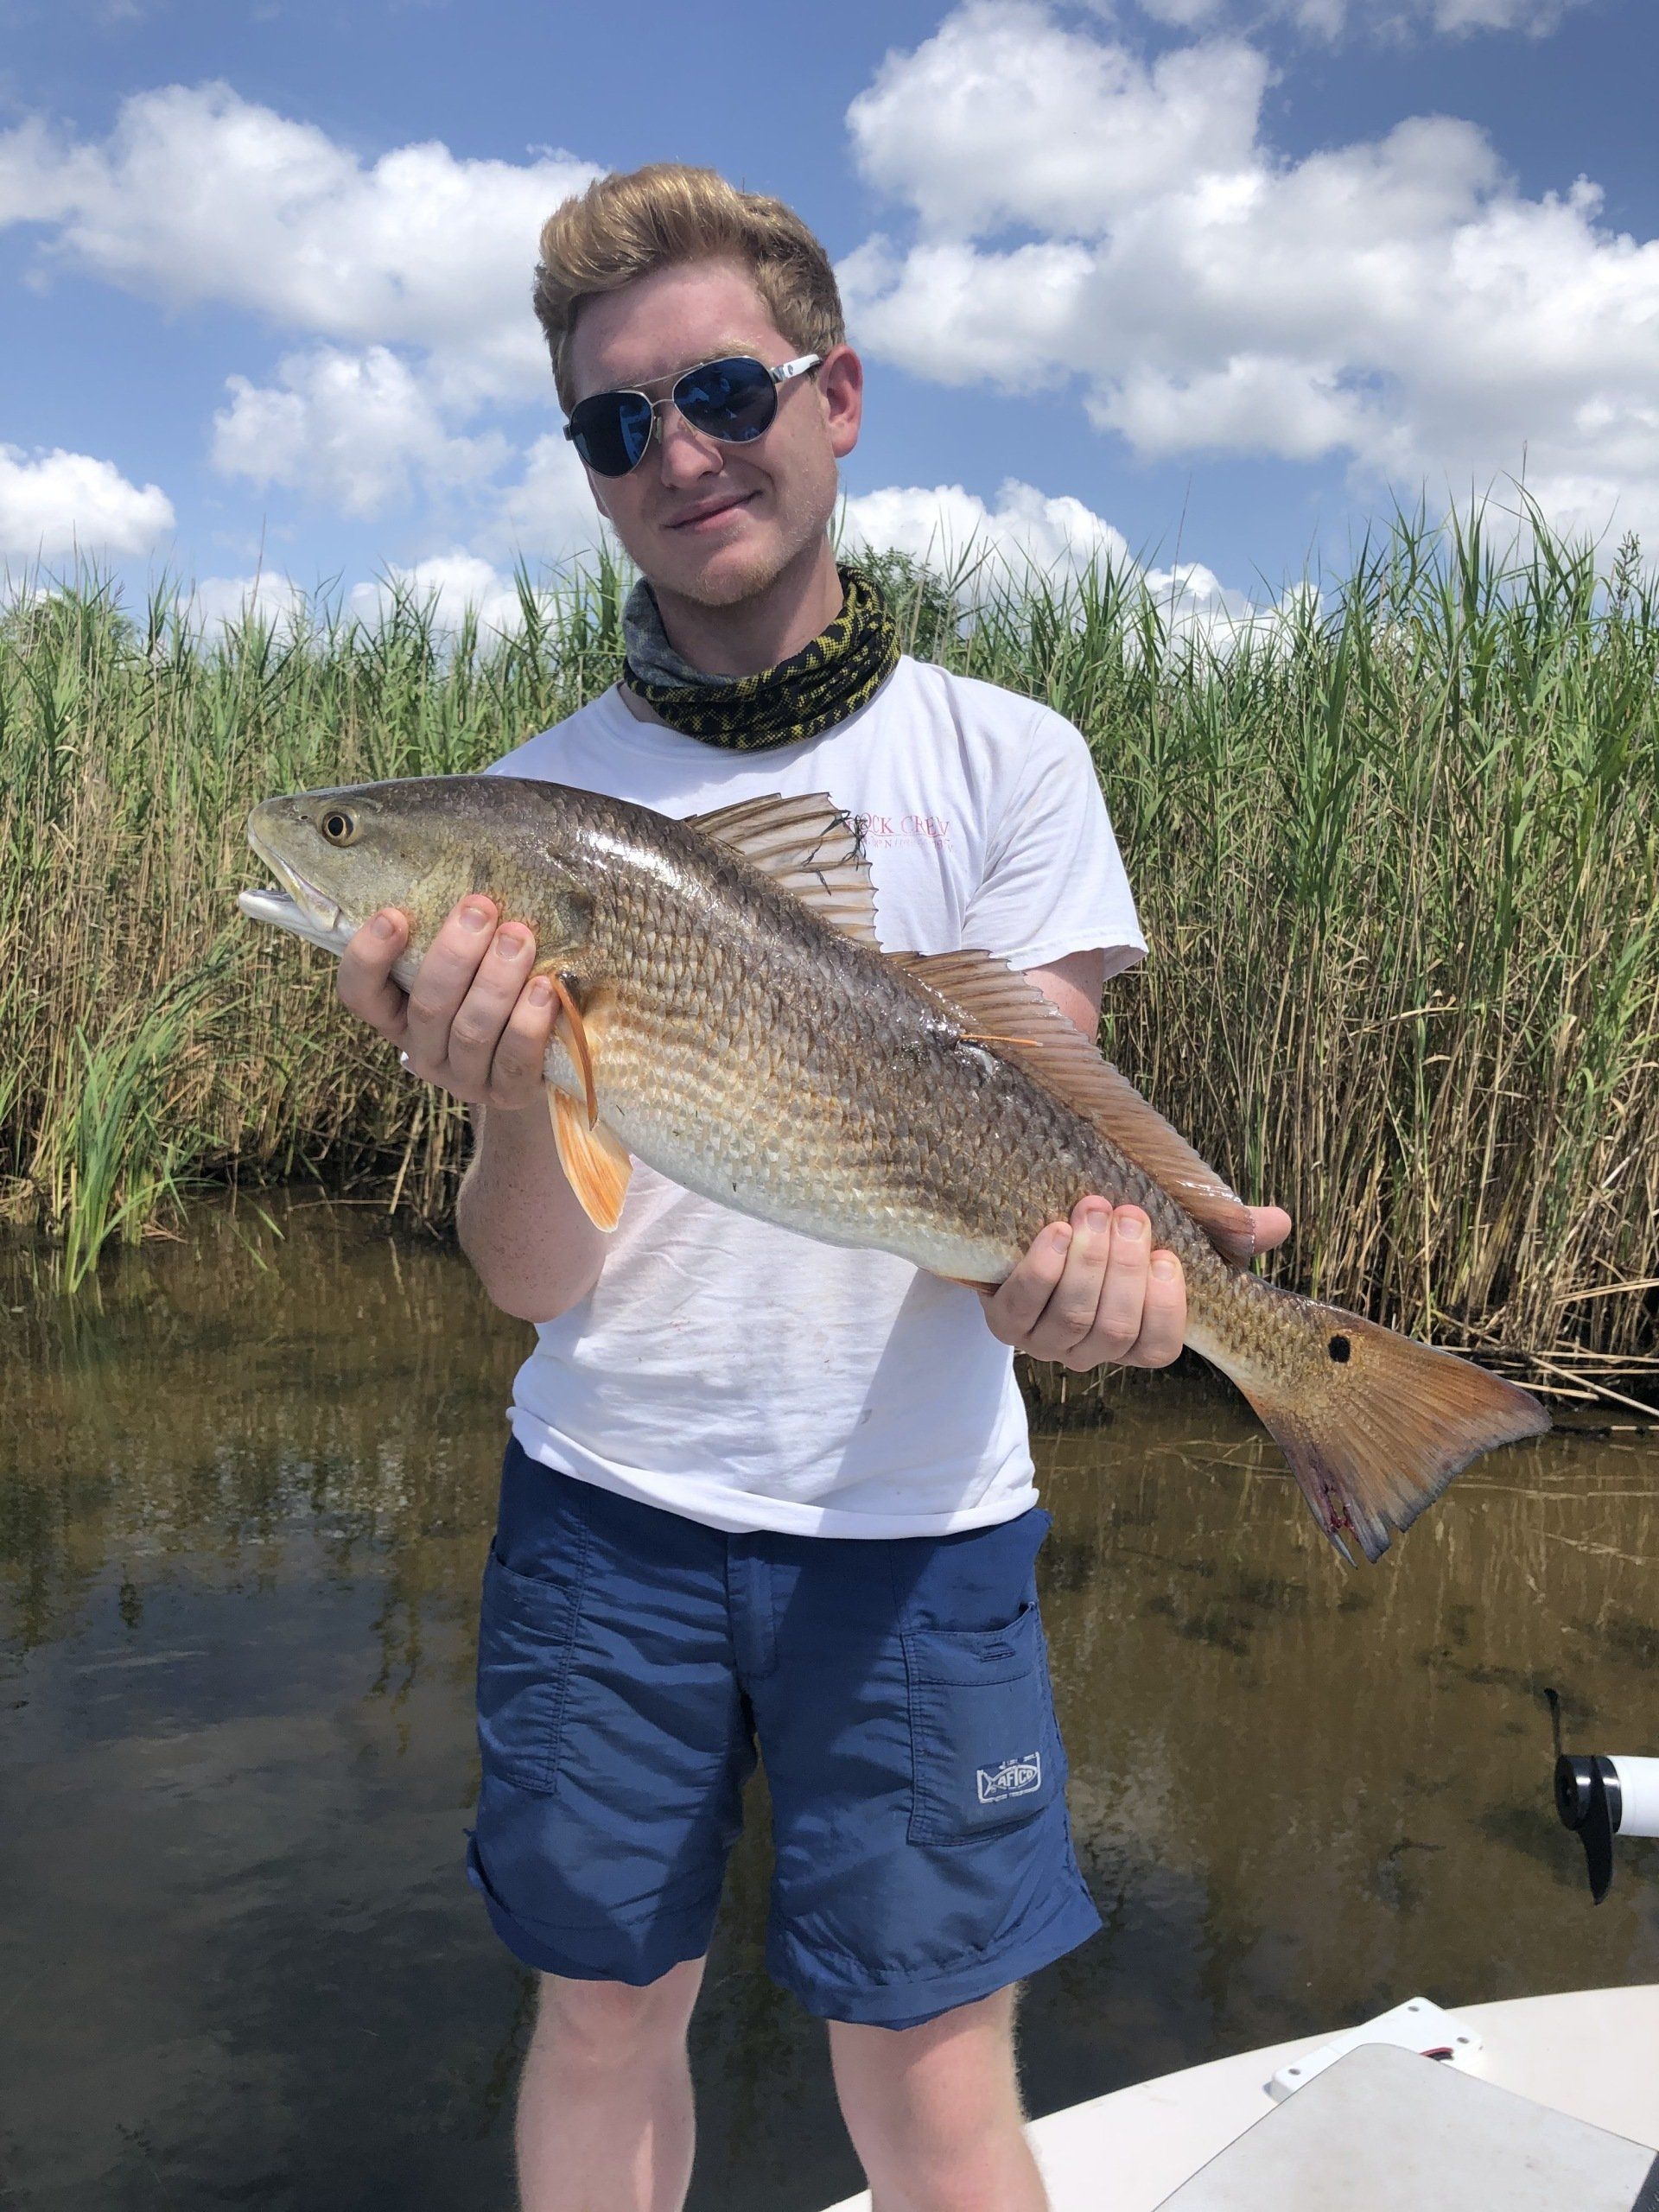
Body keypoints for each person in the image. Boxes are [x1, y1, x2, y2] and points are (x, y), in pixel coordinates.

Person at [337, 163, 1287, 2212]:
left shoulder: (1012, 762)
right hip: (608, 1507)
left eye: (722, 393)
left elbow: (1031, 1125)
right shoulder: (541, 802)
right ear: (589, 471)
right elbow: (530, 1281)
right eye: (617, 424)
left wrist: (1130, 1279)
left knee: (936, 2080)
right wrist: (505, 1092)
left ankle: (1314, 1373)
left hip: (919, 1529)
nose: (678, 452)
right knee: (601, 2013)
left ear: (835, 395)